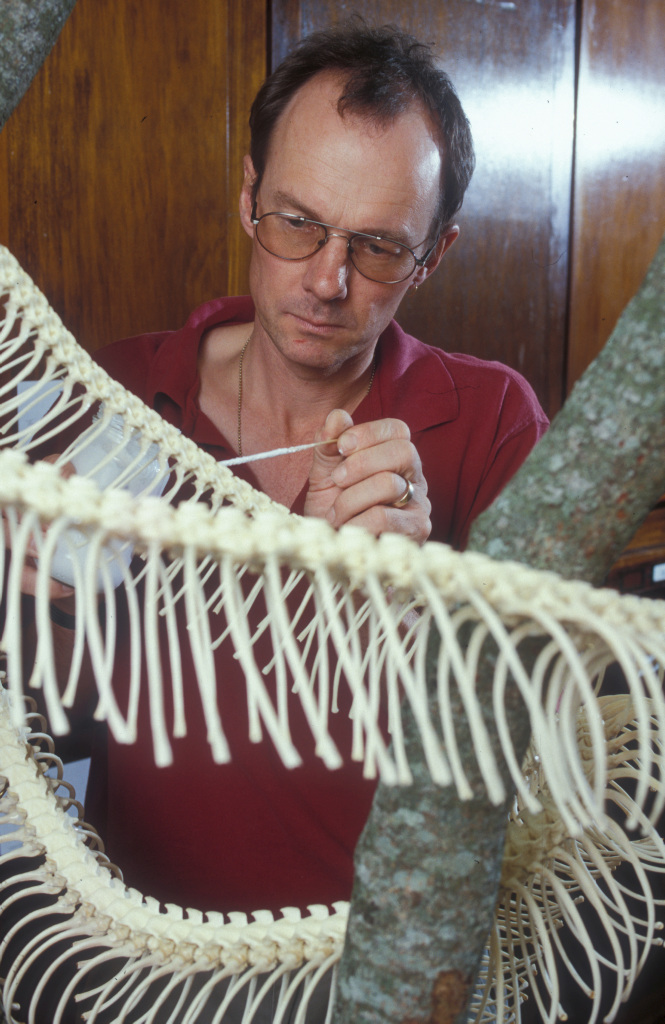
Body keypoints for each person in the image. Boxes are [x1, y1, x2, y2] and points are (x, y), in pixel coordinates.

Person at [20, 22, 548, 918]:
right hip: (147, 946)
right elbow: (46, 715)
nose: (326, 281)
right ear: (248, 198)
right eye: (296, 223)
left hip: (385, 956)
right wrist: (46, 596)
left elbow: (535, 754)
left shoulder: (494, 421)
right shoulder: (115, 392)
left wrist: (416, 608)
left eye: (377, 247)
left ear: (434, 256)